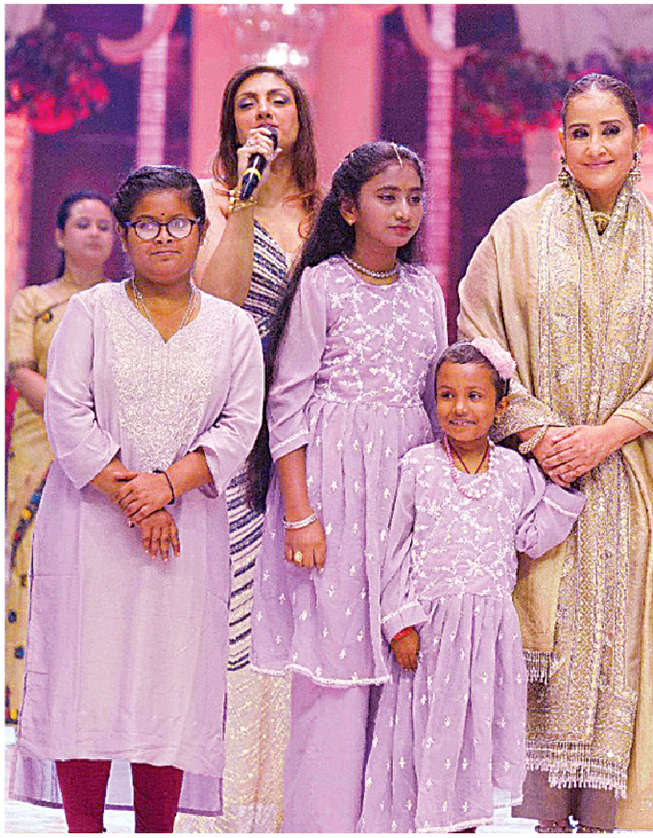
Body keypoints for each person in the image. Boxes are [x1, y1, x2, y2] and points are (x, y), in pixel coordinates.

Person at [455, 72, 653, 833]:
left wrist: (609, 434)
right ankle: (545, 817)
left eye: (611, 130)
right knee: (542, 642)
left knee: (628, 654)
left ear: (639, 140)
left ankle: (608, 817)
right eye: (580, 132)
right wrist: (540, 434)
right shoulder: (516, 232)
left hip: (638, 482)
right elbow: (479, 335)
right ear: (560, 143)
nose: (596, 146)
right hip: (538, 484)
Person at [11, 165, 264, 831]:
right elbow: (67, 414)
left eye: (178, 223)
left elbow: (240, 425)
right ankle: (85, 829)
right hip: (91, 528)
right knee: (85, 678)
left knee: (169, 683)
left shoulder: (233, 328)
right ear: (125, 235)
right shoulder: (91, 313)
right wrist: (138, 498)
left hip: (188, 531)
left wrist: (168, 487)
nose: (163, 237)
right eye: (146, 225)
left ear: (201, 231)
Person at [250, 141, 445, 832]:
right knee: (333, 670)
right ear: (348, 208)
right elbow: (287, 402)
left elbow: (436, 399)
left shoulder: (426, 289)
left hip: (404, 490)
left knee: (403, 656)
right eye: (387, 197)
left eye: (413, 198)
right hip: (330, 492)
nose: (403, 211)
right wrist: (299, 513)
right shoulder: (323, 285)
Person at [360, 340, 584, 833]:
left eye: (474, 396)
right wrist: (400, 623)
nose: (459, 408)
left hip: (488, 636)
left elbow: (532, 538)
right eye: (447, 395)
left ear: (500, 407)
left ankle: (466, 828)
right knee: (422, 741)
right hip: (429, 633)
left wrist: (564, 492)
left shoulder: (514, 471)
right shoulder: (418, 467)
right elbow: (393, 551)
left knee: (471, 743)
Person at [181, 61, 320, 833]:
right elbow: (220, 302)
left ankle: (294, 800)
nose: (264, 112)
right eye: (247, 103)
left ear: (300, 115)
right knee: (235, 605)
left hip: (318, 431)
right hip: (237, 425)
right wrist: (242, 202)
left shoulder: (332, 210)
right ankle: (224, 803)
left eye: (278, 100)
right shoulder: (210, 202)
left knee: (304, 605)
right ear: (231, 123)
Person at [6, 190, 115, 726]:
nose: (94, 233)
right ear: (58, 235)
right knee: (35, 566)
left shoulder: (124, 303)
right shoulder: (33, 301)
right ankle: (26, 699)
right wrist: (76, 417)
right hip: (40, 450)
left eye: (104, 226)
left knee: (99, 569)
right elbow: (20, 370)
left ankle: (92, 703)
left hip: (107, 452)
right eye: (83, 224)